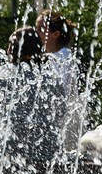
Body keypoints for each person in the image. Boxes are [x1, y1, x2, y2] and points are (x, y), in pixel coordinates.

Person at [0, 27, 66, 162]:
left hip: (12, 149)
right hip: (49, 148)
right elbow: (61, 110)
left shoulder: (2, 76)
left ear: (13, 49)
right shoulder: (51, 76)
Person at [35, 9, 82, 152]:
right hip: (53, 124)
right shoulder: (48, 56)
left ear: (55, 34)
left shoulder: (63, 57)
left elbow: (60, 92)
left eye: (40, 29)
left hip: (65, 127)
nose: (36, 32)